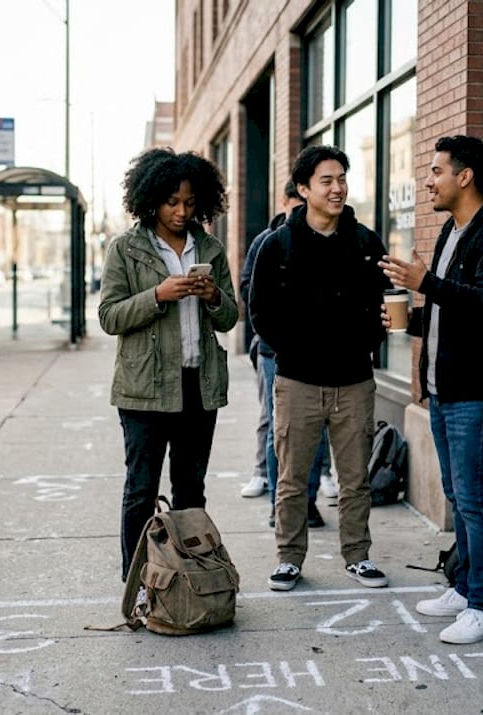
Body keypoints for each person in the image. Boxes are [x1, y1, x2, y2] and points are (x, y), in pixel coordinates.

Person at [380, 135, 483, 644]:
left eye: (436, 171)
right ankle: (465, 589)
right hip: (445, 390)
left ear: (465, 177)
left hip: (480, 391)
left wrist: (426, 283)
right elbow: (453, 308)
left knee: (475, 499)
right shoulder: (452, 231)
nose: (428, 181)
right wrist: (412, 321)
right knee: (458, 496)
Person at [249, 145, 392, 592]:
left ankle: (358, 556)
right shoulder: (278, 244)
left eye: (342, 179)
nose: (337, 188)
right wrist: (296, 351)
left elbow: (385, 303)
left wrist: (369, 341)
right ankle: (289, 559)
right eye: (326, 180)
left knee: (355, 480)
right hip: (298, 381)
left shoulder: (365, 242)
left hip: (355, 381)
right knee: (292, 479)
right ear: (304, 189)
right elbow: (260, 311)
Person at [98, 147, 239, 581]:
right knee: (141, 491)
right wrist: (158, 296)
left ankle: (190, 583)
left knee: (191, 491)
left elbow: (230, 318)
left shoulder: (210, 248)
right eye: (171, 202)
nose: (181, 212)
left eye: (190, 202)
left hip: (199, 386)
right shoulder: (125, 248)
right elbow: (109, 316)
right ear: (151, 199)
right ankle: (139, 584)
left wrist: (213, 297)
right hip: (145, 389)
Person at [239, 181, 331, 529]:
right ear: (286, 202)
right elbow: (248, 290)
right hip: (274, 351)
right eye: (296, 208)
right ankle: (279, 503)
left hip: (319, 353)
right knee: (279, 428)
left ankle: (307, 502)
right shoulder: (267, 241)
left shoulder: (325, 240)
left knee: (315, 430)